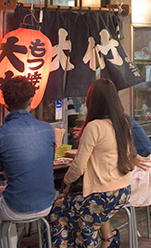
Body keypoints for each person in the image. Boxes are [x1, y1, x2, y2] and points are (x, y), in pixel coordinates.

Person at [0, 77, 56, 248]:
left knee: (0, 195)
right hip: (46, 203)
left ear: (6, 104)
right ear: (31, 101)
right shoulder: (48, 129)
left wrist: (8, 170)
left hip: (17, 207)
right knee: (1, 193)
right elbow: (47, 162)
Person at [49, 79, 133, 248]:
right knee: (83, 214)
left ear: (92, 101)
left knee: (58, 210)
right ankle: (106, 240)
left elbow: (78, 167)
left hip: (101, 194)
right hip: (122, 192)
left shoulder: (94, 127)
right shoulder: (123, 122)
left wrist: (66, 181)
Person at [100, 114, 151, 248]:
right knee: (97, 192)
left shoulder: (118, 121)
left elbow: (129, 156)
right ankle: (108, 234)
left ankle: (108, 236)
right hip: (142, 172)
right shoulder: (119, 119)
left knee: (97, 194)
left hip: (141, 174)